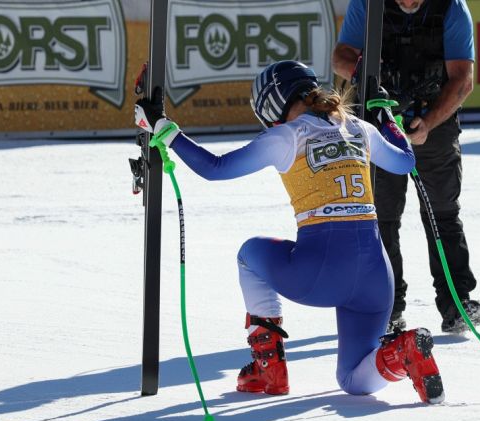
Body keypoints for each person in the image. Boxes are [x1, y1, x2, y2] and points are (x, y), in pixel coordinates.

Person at [135, 60, 444, 403]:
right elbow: (405, 162)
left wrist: (164, 128)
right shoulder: (358, 126)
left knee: (250, 255)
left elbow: (215, 168)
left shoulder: (286, 135)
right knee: (355, 379)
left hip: (321, 272)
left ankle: (270, 368)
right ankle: (401, 352)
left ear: (271, 104)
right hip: (375, 277)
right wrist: (387, 121)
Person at [332, 0, 480, 334]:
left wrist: (427, 123)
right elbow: (341, 56)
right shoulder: (368, 5)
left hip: (435, 118)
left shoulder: (451, 8)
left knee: (442, 212)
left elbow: (462, 80)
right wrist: (367, 74)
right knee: (382, 216)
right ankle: (386, 307)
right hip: (378, 120)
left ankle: (456, 303)